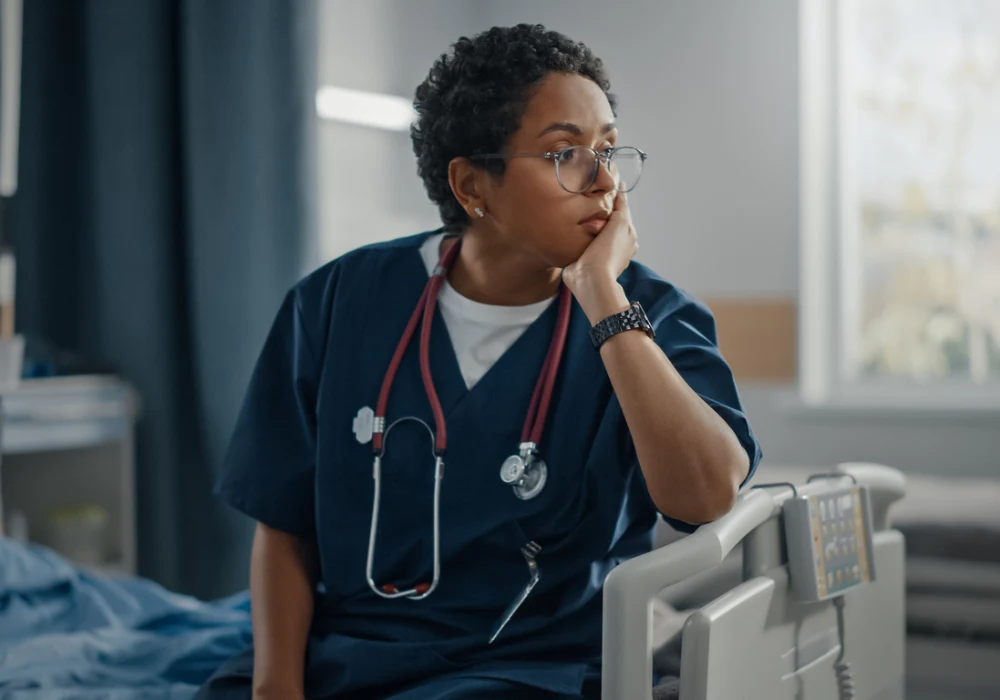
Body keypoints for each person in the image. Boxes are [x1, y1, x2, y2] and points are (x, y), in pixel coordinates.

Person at [198, 23, 762, 700]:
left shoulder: (651, 315)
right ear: (473, 186)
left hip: (540, 667)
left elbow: (705, 496)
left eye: (609, 149)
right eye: (565, 154)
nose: (604, 180)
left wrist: (603, 298)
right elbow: (283, 530)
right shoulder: (336, 304)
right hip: (348, 659)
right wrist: (276, 689)